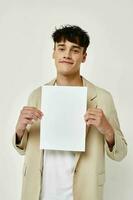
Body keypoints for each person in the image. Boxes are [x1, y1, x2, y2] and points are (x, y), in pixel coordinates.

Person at [13, 25, 127, 200]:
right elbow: (22, 150)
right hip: (38, 193)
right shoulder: (37, 95)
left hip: (83, 193)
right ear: (53, 53)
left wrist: (107, 130)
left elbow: (121, 153)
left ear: (84, 56)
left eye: (75, 50)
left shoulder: (102, 98)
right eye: (61, 48)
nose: (66, 55)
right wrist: (20, 129)